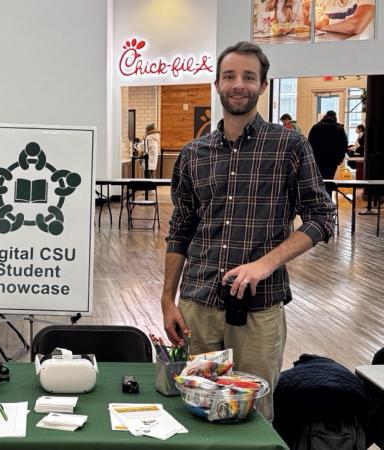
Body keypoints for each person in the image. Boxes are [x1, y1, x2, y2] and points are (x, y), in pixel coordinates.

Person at [160, 41, 336, 421]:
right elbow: (181, 228)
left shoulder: (289, 146)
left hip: (259, 308)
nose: (238, 84)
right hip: (198, 305)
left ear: (263, 85)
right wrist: (167, 299)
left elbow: (321, 217)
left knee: (254, 414)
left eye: (248, 77)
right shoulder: (194, 154)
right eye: (230, 76)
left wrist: (265, 264)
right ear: (217, 83)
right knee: (195, 407)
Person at [307, 110, 349, 183]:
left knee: (318, 180)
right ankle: (328, 193)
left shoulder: (316, 127)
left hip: (318, 158)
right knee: (329, 179)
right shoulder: (339, 128)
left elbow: (309, 143)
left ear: (325, 116)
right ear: (335, 117)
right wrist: (340, 158)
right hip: (333, 159)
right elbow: (344, 145)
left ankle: (319, 194)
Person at [303, 0, 375, 38]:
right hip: (337, 53)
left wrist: (323, 27)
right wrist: (306, 16)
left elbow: (355, 25)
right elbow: (317, 28)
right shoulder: (328, 2)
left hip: (362, 56)